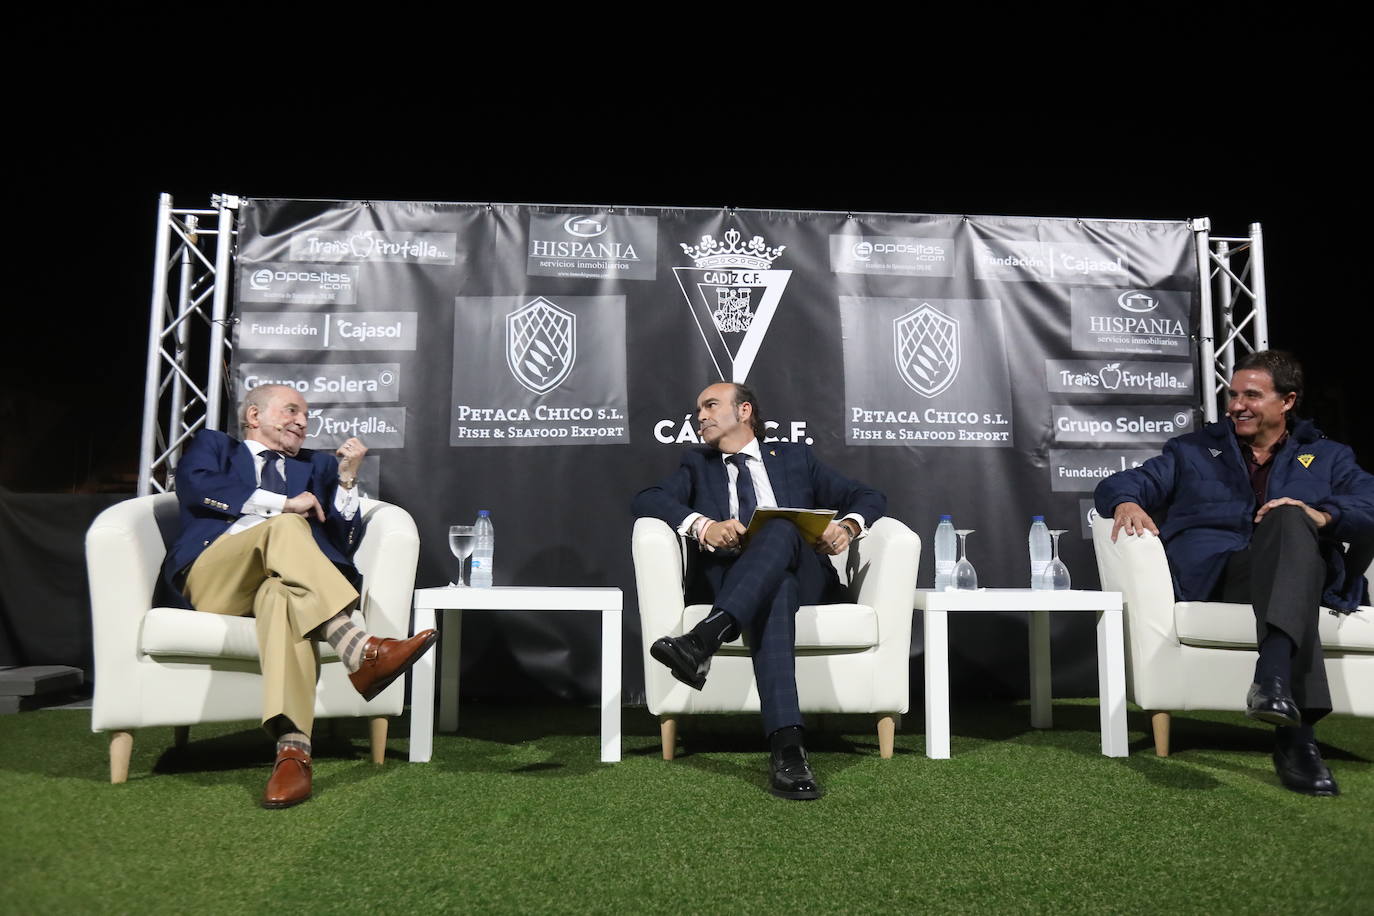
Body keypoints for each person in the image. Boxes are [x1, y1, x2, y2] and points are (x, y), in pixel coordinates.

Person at [1095, 350, 1374, 796]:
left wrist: (1322, 517)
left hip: (1300, 571)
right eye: (1233, 394)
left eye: (1252, 395)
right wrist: (1126, 502)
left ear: (1287, 401)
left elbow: (1370, 502)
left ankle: (1274, 682)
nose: (1237, 405)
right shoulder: (1192, 451)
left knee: (1288, 520)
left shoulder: (1328, 456)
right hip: (1222, 575)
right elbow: (1122, 483)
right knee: (1293, 571)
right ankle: (1296, 736)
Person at [162, 384, 437, 808]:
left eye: (307, 416)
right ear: (254, 416)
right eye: (292, 411)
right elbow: (195, 486)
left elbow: (341, 543)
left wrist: (347, 478)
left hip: (283, 583)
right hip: (215, 575)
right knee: (288, 526)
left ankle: (293, 752)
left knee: (280, 595)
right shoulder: (216, 447)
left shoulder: (317, 467)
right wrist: (283, 504)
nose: (303, 422)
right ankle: (361, 648)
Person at [633, 381, 886, 800]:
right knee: (776, 589)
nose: (701, 415)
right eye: (698, 409)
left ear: (744, 410)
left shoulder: (793, 458)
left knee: (781, 527)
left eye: (711, 405)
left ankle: (703, 640)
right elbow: (648, 499)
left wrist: (848, 526)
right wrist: (705, 526)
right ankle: (788, 751)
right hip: (735, 581)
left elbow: (867, 495)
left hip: (807, 573)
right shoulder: (697, 464)